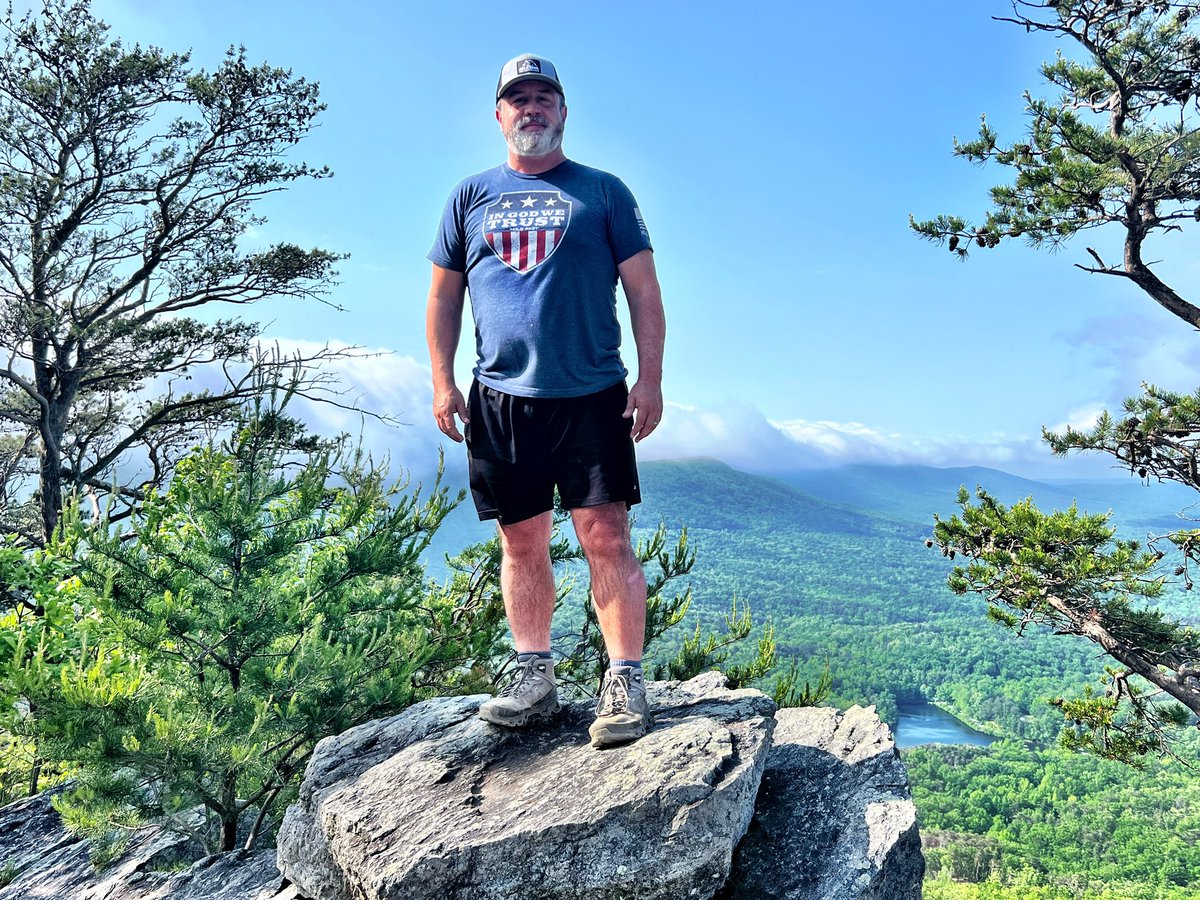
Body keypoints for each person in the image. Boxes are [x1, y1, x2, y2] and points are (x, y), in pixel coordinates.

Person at [426, 54, 666, 748]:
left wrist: (649, 380)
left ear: (563, 111)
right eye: (518, 99)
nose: (531, 108)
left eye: (544, 97)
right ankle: (534, 676)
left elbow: (644, 292)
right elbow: (443, 296)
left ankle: (624, 681)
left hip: (593, 394)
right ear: (499, 115)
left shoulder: (604, 192)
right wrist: (443, 382)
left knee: (607, 537)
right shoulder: (469, 196)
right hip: (500, 398)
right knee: (521, 539)